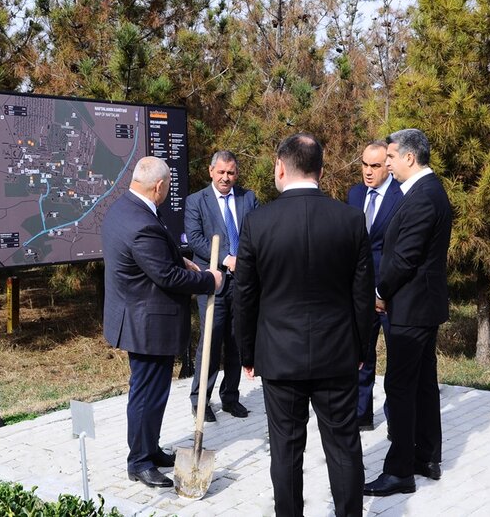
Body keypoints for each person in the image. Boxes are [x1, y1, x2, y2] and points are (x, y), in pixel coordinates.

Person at [234, 133, 374, 516]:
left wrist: (247, 352)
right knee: (344, 445)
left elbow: (244, 296)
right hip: (337, 353)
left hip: (279, 356)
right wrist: (362, 349)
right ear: (321, 171)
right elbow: (362, 295)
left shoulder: (257, 222)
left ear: (280, 167)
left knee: (285, 449)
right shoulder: (349, 218)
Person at [102, 156, 223, 489]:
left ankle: (150, 449)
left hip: (139, 317)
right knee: (146, 393)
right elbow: (167, 277)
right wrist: (210, 280)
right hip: (147, 323)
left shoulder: (123, 208)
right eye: (167, 187)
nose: (167, 192)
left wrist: (180, 258)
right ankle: (139, 462)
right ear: (158, 186)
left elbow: (152, 259)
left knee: (153, 392)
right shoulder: (141, 223)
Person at [363, 128, 452, 497]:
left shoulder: (422, 197)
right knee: (423, 384)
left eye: (391, 158)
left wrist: (381, 292)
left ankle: (399, 470)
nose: (387, 164)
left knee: (399, 387)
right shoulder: (423, 191)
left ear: (410, 159)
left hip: (411, 308)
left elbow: (404, 257)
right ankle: (426, 456)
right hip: (421, 305)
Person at [185, 150, 259, 422]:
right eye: (221, 172)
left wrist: (246, 260)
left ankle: (231, 397)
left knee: (236, 340)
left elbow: (257, 232)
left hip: (242, 283)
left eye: (231, 173)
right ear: (210, 171)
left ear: (236, 174)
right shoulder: (196, 201)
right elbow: (194, 239)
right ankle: (201, 400)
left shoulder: (248, 199)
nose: (225, 178)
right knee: (211, 341)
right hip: (212, 282)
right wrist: (227, 258)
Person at [347, 141, 403, 431]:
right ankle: (361, 415)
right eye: (364, 165)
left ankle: (395, 419)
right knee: (362, 357)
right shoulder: (355, 194)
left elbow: (402, 251)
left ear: (388, 166)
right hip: (360, 294)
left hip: (391, 294)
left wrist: (385, 291)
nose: (368, 172)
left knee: (396, 363)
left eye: (375, 166)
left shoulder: (400, 195)